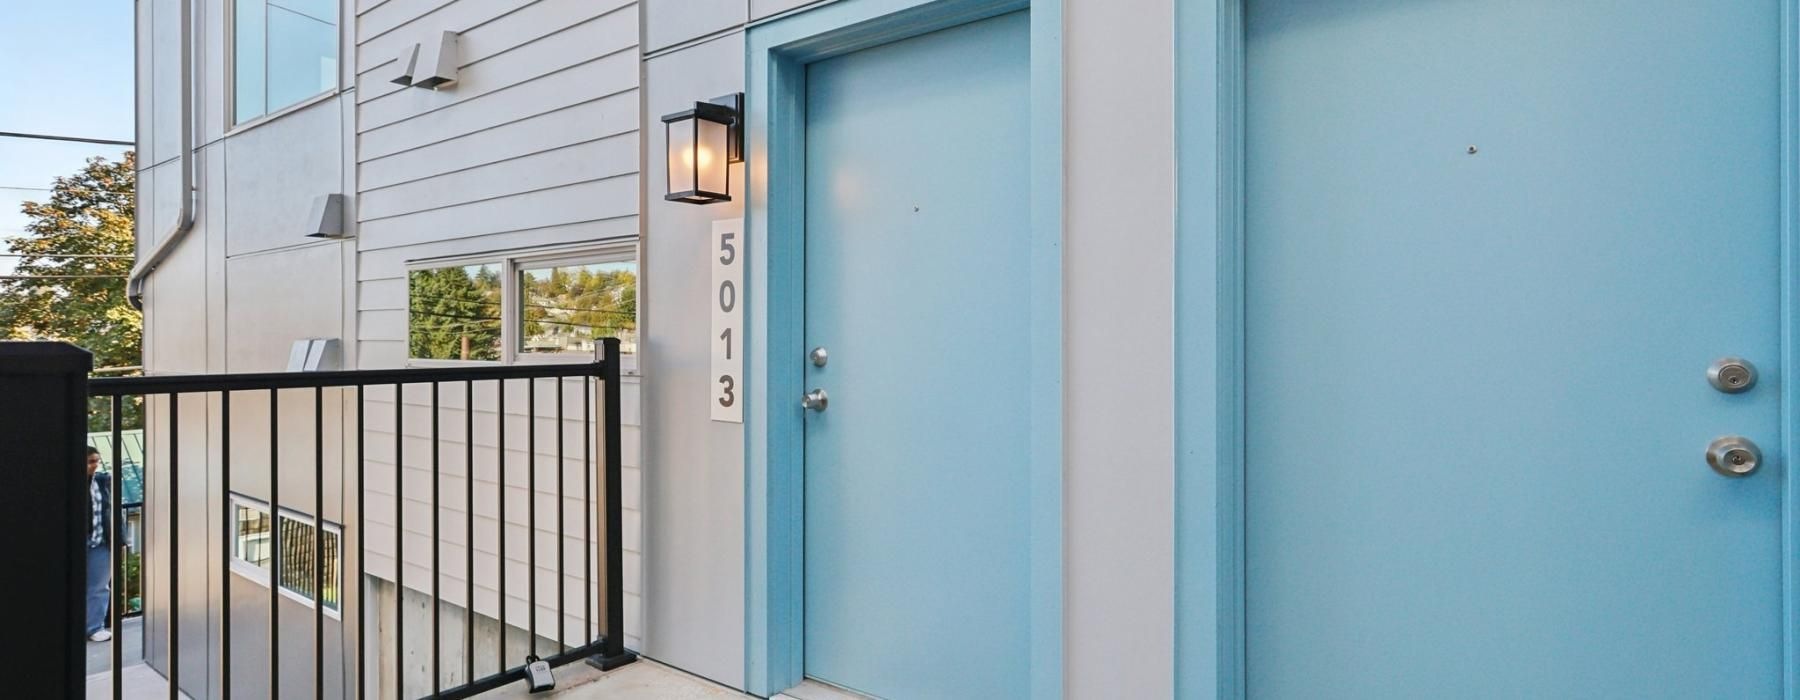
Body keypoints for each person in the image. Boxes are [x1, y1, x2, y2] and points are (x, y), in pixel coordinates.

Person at [84, 446, 112, 642]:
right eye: (90, 461)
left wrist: (119, 538)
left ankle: (94, 627)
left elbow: (112, 509)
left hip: (101, 541)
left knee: (100, 586)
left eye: (97, 461)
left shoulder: (103, 481)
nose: (94, 465)